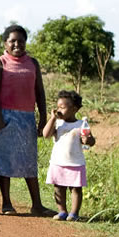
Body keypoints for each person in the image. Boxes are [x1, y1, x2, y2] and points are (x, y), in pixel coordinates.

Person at [0, 25, 53, 216]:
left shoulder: (33, 63)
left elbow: (39, 92)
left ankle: (37, 205)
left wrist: (42, 117)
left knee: (29, 162)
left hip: (26, 118)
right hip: (5, 117)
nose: (17, 44)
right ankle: (7, 203)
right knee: (4, 161)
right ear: (5, 43)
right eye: (12, 41)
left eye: (21, 41)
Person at [42, 89, 95, 221]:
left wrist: (87, 140)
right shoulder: (58, 123)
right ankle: (62, 211)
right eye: (57, 107)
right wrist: (52, 118)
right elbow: (46, 134)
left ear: (74, 109)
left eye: (63, 107)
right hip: (58, 162)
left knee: (75, 189)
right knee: (58, 188)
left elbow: (90, 141)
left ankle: (74, 213)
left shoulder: (81, 124)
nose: (59, 110)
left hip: (75, 162)